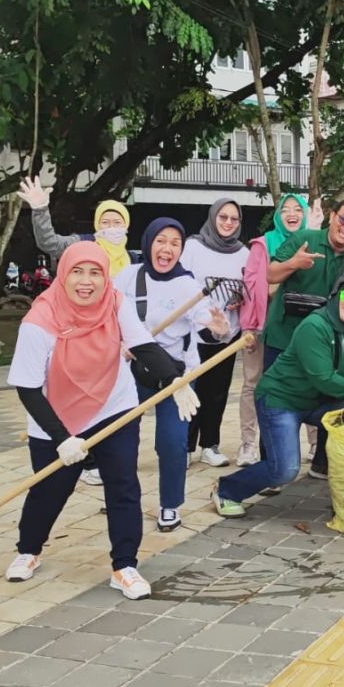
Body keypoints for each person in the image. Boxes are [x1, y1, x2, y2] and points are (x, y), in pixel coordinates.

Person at [5, 243, 197, 600]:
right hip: (55, 417)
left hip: (113, 406)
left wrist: (173, 380)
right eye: (78, 272)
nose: (86, 282)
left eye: (95, 272)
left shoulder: (115, 301)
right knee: (50, 488)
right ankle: (28, 550)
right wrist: (62, 438)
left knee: (123, 483)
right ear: (63, 274)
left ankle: (124, 565)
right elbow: (29, 389)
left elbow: (142, 345)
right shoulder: (38, 323)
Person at [212, 273, 344, 517]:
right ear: (334, 297)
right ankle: (226, 490)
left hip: (316, 401)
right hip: (281, 400)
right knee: (285, 470)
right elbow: (324, 379)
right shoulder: (314, 326)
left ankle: (343, 481)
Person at [17, 177, 133, 486]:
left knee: (111, 402)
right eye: (105, 221)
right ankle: (79, 453)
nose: (111, 226)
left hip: (115, 345)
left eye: (117, 221)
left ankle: (104, 458)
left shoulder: (132, 260)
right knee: (75, 396)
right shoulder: (82, 246)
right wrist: (40, 209)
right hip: (75, 340)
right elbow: (49, 242)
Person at [114, 218, 227, 533]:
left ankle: (170, 505)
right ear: (149, 242)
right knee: (121, 440)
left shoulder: (188, 286)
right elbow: (107, 314)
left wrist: (218, 329)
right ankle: (121, 498)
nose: (167, 248)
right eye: (161, 240)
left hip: (175, 376)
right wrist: (118, 342)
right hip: (132, 372)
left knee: (172, 443)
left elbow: (207, 318)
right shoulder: (127, 277)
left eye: (175, 243)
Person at [263, 198, 344, 477]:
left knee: (330, 400)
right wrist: (294, 263)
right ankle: (272, 466)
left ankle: (322, 462)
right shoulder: (305, 239)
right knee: (279, 401)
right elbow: (270, 274)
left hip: (325, 345)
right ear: (332, 217)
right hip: (283, 337)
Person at [238, 194, 323, 466]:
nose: (292, 213)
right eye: (285, 209)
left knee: (310, 381)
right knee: (255, 384)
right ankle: (249, 444)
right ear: (277, 215)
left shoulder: (314, 242)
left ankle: (314, 444)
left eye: (298, 209)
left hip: (304, 328)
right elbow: (252, 287)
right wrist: (249, 327)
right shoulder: (263, 245)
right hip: (264, 327)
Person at [180, 198, 250, 468]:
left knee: (218, 390)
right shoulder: (194, 246)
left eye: (234, 219)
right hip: (196, 332)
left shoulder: (243, 252)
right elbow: (183, 283)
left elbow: (248, 287)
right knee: (191, 388)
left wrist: (239, 299)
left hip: (227, 333)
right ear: (213, 217)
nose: (228, 223)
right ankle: (185, 446)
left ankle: (210, 444)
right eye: (223, 217)